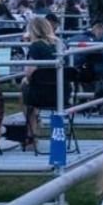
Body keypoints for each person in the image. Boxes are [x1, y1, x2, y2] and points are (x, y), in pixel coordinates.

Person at [20, 16, 60, 148]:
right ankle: (35, 121)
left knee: (25, 87)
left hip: (42, 95)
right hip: (61, 93)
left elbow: (29, 73)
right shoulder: (58, 45)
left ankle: (32, 134)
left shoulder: (35, 47)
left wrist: (26, 79)